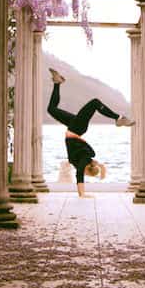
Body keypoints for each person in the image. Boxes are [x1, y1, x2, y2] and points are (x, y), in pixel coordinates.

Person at [46, 67, 133, 198]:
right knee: (95, 103)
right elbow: (80, 172)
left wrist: (101, 168)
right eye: (87, 173)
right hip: (76, 128)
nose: (84, 174)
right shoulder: (84, 160)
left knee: (52, 109)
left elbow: (88, 167)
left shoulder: (83, 159)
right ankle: (118, 118)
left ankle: (57, 83)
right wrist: (82, 194)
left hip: (74, 127)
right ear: (87, 169)